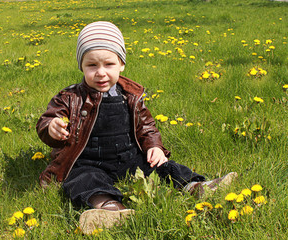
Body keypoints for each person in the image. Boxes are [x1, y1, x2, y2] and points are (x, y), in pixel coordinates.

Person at [36, 21, 237, 234]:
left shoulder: (130, 96)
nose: (101, 73)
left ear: (121, 64)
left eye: (109, 64)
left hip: (129, 158)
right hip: (88, 161)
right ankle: (110, 209)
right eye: (92, 65)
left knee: (163, 166)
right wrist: (51, 128)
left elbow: (146, 125)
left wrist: (154, 146)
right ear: (81, 66)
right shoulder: (70, 98)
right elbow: (46, 121)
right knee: (82, 180)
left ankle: (196, 187)